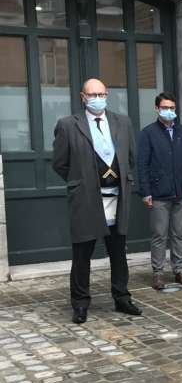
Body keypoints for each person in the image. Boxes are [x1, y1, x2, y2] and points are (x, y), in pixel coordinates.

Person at [52, 78, 143, 324]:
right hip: (87, 200)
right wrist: (79, 182)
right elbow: (60, 163)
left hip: (117, 198)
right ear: (83, 96)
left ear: (107, 94)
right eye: (92, 94)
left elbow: (131, 157)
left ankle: (122, 297)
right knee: (82, 253)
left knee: (118, 252)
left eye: (101, 93)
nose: (97, 98)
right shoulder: (68, 125)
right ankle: (80, 303)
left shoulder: (122, 123)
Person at [137, 92, 182, 290]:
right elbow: (142, 165)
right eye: (165, 108)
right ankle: (158, 273)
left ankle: (179, 270)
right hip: (159, 194)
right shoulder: (148, 133)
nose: (169, 111)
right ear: (157, 109)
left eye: (172, 108)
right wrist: (146, 192)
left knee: (178, 233)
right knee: (159, 235)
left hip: (181, 192)